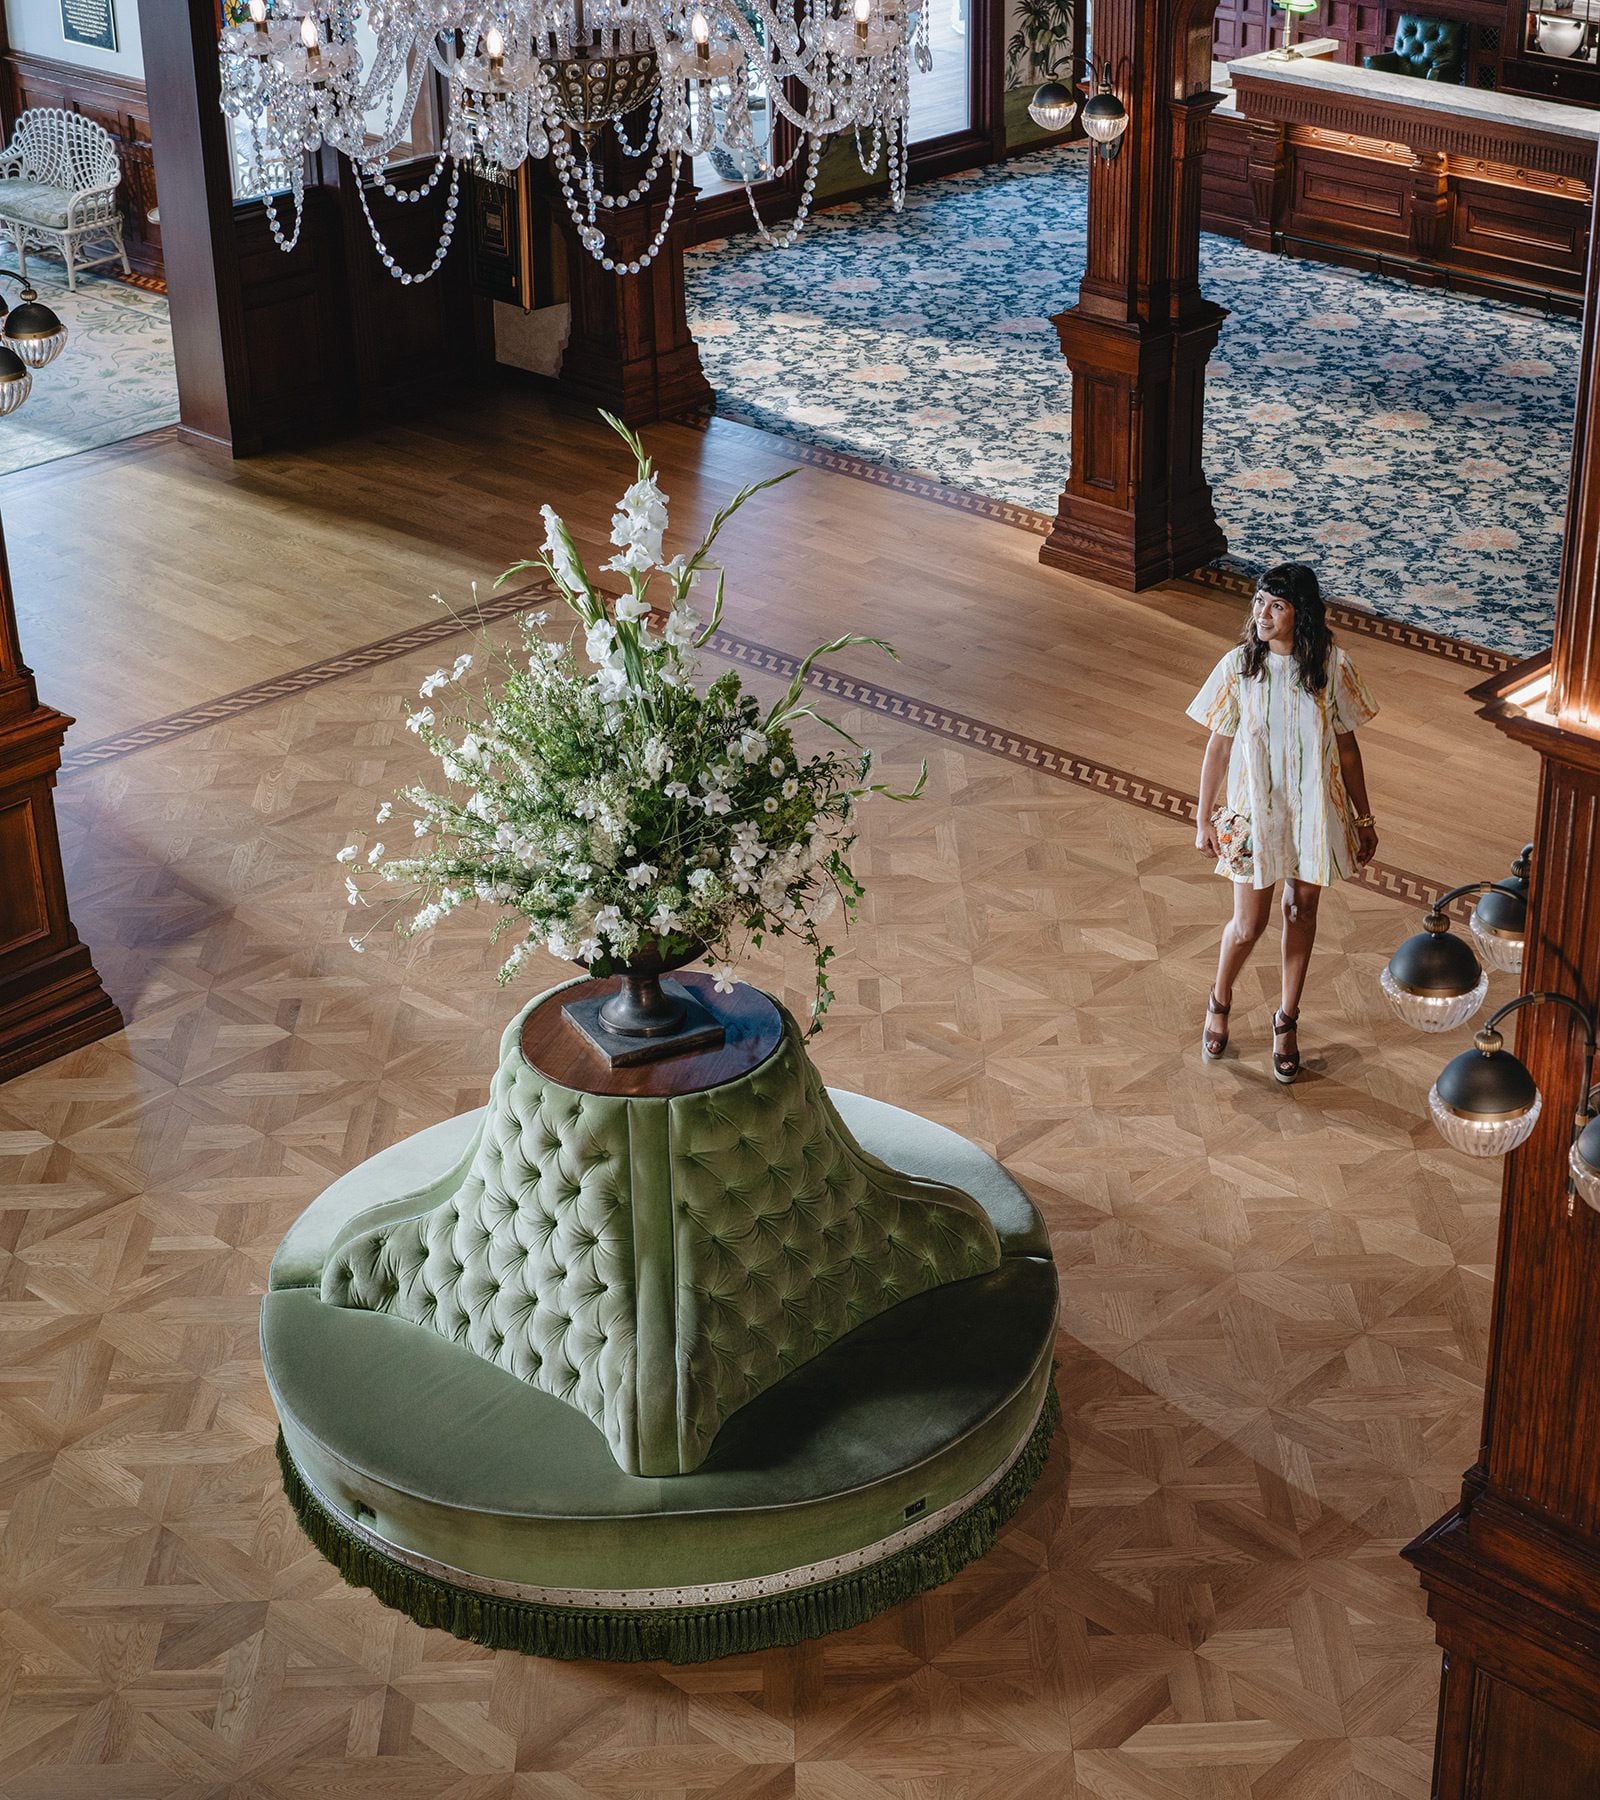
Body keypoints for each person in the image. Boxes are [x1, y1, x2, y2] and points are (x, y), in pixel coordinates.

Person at [1187, 563, 1379, 1083]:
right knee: (1249, 924)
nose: (1263, 615)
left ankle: (1286, 1018)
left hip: (1316, 816)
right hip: (1255, 817)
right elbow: (1219, 747)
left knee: (1302, 910)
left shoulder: (1332, 666)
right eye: (1259, 603)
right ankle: (1220, 998)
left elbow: (1349, 748)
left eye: (1277, 606)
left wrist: (1364, 818)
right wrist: (1203, 818)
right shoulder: (1237, 667)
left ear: (1302, 614)